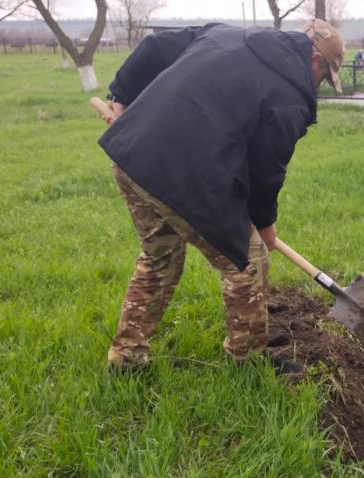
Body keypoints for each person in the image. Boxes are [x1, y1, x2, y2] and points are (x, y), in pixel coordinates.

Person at [98, 19, 344, 372]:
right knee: (248, 262)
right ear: (316, 60)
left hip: (132, 157)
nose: (318, 85)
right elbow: (266, 169)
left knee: (160, 258)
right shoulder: (290, 94)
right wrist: (265, 225)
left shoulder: (225, 33)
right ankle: (248, 362)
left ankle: (126, 357)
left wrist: (120, 99)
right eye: (324, 77)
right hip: (184, 176)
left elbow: (153, 47)